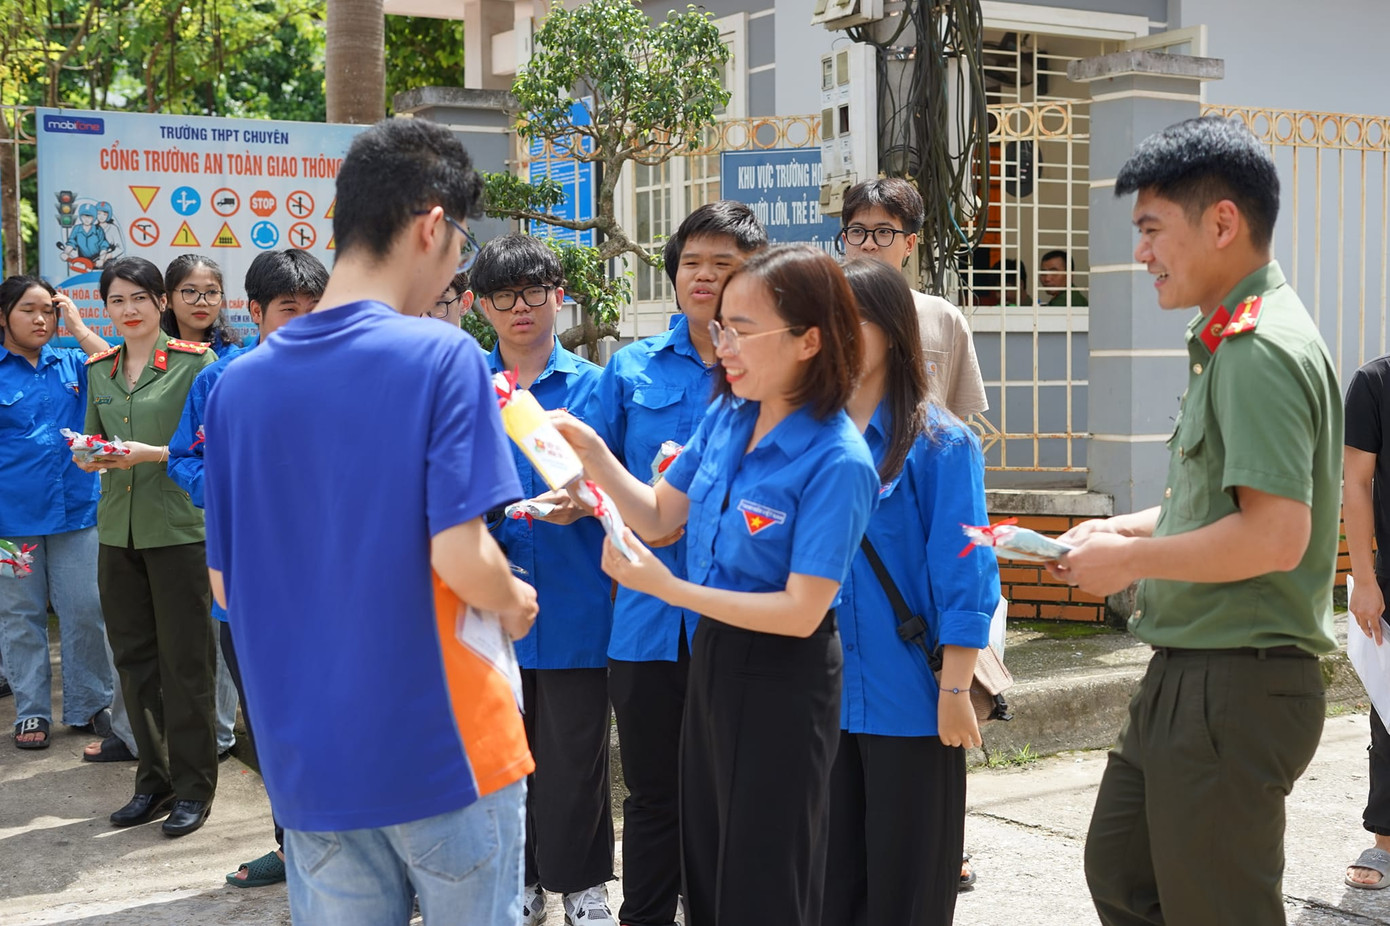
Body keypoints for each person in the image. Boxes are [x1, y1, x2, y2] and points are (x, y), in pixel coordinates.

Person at [202, 117, 538, 926]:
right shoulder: (442, 357)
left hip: (310, 766)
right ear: (433, 226)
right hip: (444, 749)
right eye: (461, 246)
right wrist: (513, 598)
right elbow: (462, 553)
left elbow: (224, 579)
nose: (457, 271)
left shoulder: (237, 388)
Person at [1048, 116, 1341, 925]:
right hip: (1193, 671)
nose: (1140, 252)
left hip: (1236, 679)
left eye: (1151, 229)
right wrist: (1122, 534)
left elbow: (1276, 534)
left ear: (1222, 222)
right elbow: (1208, 503)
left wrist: (1134, 564)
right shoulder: (1226, 341)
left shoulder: (1258, 350)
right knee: (1123, 873)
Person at [556, 244, 879, 926]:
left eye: (742, 328)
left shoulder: (837, 458)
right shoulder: (730, 415)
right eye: (721, 325)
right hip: (715, 662)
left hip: (785, 679)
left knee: (763, 873)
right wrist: (593, 452)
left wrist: (669, 591)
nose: (722, 343)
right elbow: (659, 515)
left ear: (809, 340)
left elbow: (800, 610)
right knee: (705, 858)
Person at [578, 200, 766, 926]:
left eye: (725, 266)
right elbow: (593, 476)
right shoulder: (630, 367)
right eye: (693, 263)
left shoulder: (769, 377)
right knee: (653, 794)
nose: (706, 278)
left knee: (730, 795)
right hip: (648, 621)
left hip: (739, 618)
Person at [824, 259, 1000, 925]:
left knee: (908, 895)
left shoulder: (940, 443)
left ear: (893, 331)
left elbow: (967, 575)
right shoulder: (813, 437)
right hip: (825, 703)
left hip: (914, 705)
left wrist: (955, 692)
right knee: (831, 888)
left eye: (852, 320)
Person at [167, 248, 328, 888]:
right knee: (271, 726)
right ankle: (293, 848)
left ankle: (356, 849)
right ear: (257, 312)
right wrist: (241, 491)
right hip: (248, 589)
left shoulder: (355, 380)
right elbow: (184, 461)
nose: (307, 322)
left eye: (318, 309)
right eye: (290, 310)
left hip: (337, 587)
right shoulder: (221, 382)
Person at [469, 234, 616, 926]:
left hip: (578, 601)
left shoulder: (596, 386)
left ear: (560, 296)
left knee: (576, 759)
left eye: (535, 292)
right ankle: (520, 880)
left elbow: (628, 491)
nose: (521, 308)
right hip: (488, 603)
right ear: (480, 306)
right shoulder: (466, 393)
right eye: (505, 295)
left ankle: (584, 885)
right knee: (502, 758)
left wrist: (589, 500)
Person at [77, 256, 220, 836]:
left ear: (161, 302)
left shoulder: (196, 364)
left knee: (186, 665)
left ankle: (194, 788)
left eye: (140, 298)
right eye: (117, 301)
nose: (129, 310)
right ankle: (152, 781)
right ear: (105, 309)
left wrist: (150, 453)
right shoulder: (100, 369)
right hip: (117, 530)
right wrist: (87, 453)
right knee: (133, 664)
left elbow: (208, 450)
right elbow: (93, 440)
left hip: (179, 532)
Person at [0, 276, 114, 749]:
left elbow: (115, 365)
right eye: (29, 309)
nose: (41, 318)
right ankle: (31, 712)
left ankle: (90, 705)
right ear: (3, 316)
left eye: (48, 308)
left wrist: (79, 324)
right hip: (11, 524)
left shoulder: (73, 361)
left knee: (86, 610)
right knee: (19, 614)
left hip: (77, 513)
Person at [838, 178, 987, 420]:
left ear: (909, 244)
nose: (868, 244)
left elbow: (955, 419)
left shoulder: (943, 318)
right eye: (857, 231)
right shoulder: (818, 313)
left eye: (883, 232)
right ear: (845, 240)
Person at [1341, 356, 1390, 888]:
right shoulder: (1375, 383)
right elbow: (1356, 482)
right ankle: (1386, 841)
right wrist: (1365, 579)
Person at [161, 254, 240, 356]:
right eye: (190, 291)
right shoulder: (151, 354)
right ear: (168, 299)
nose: (202, 302)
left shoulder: (231, 359)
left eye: (212, 292)